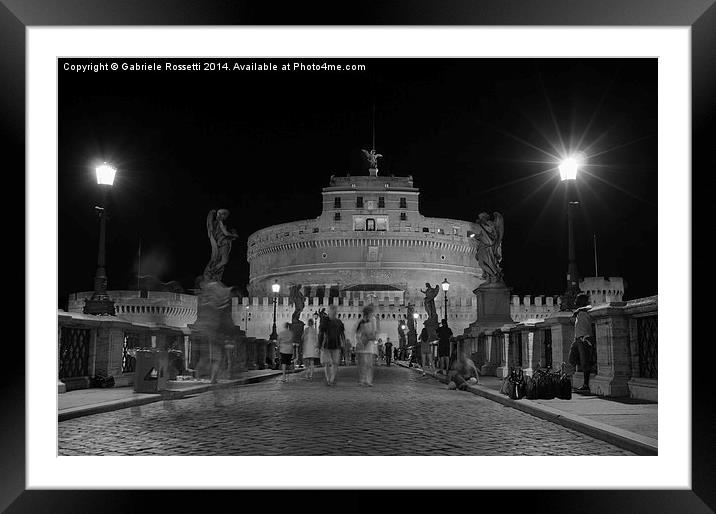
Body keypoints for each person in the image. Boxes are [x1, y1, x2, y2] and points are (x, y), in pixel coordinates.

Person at [569, 293, 596, 392]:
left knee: (585, 362)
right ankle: (589, 365)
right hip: (577, 339)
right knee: (571, 359)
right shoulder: (579, 312)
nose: (576, 301)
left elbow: (590, 307)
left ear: (583, 301)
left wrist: (579, 310)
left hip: (585, 339)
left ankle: (586, 384)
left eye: (578, 299)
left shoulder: (587, 309)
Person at [319, 304, 344, 386]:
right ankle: (328, 378)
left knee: (335, 363)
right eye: (332, 311)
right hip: (326, 345)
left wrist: (343, 342)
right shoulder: (325, 321)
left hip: (336, 344)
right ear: (329, 311)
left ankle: (332, 379)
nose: (333, 313)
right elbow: (321, 333)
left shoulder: (339, 322)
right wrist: (320, 344)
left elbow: (342, 333)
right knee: (326, 363)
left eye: (335, 311)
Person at [355, 305, 377, 386]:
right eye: (371, 313)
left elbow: (374, 333)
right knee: (363, 364)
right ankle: (363, 379)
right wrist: (361, 340)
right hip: (362, 345)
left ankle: (367, 380)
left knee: (368, 364)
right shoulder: (361, 321)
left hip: (369, 344)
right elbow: (357, 333)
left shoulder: (373, 321)